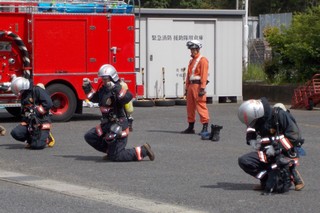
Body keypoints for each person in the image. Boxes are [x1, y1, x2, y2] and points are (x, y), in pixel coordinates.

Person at [84, 64, 155, 162]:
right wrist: (87, 88)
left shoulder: (118, 87)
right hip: (106, 124)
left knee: (117, 157)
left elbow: (127, 97)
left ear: (112, 77)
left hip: (118, 126)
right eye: (102, 79)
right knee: (90, 136)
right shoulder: (104, 89)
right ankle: (111, 151)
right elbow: (95, 98)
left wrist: (115, 89)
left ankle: (143, 150)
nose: (103, 81)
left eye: (105, 79)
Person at [237, 97, 305, 193]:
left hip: (282, 152)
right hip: (265, 152)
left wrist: (276, 147)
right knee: (244, 161)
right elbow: (250, 127)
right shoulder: (258, 119)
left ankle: (291, 172)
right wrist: (251, 139)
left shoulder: (279, 115)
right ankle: (266, 179)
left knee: (279, 188)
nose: (253, 123)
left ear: (257, 113)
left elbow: (294, 136)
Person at [10, 77, 55, 149]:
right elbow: (25, 110)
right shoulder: (24, 95)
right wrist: (26, 119)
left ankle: (47, 137)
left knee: (37, 146)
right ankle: (32, 140)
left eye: (20, 91)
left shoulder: (37, 90)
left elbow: (48, 103)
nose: (19, 94)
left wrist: (37, 112)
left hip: (41, 121)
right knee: (15, 133)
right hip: (30, 122)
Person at [181, 40, 210, 135]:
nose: (191, 51)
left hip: (198, 86)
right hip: (191, 86)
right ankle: (190, 127)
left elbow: (204, 75)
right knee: (190, 107)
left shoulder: (203, 60)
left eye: (193, 49)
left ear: (198, 49)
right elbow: (189, 75)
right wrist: (187, 88)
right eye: (191, 49)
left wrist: (202, 88)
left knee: (201, 106)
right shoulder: (191, 61)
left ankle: (205, 126)